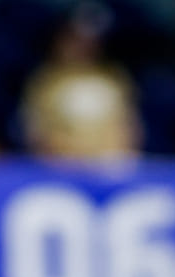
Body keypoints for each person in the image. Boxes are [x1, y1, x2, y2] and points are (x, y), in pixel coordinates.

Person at [20, 5, 138, 162]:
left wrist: (108, 156)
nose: (83, 47)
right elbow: (36, 134)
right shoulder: (44, 80)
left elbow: (128, 128)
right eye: (76, 39)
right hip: (59, 166)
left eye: (91, 41)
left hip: (109, 165)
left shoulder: (115, 77)